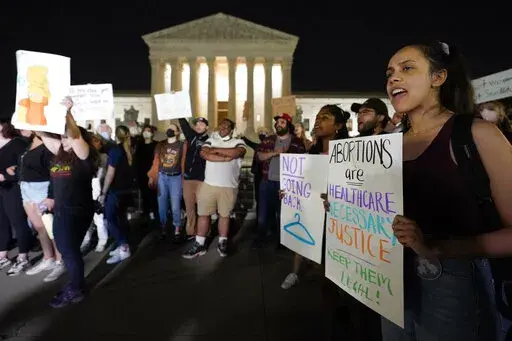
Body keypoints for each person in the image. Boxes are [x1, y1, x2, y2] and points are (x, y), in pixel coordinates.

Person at [382, 41, 512, 340]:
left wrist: (434, 248)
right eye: (389, 73)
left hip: (454, 285)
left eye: (407, 68)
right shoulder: (385, 146)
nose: (393, 78)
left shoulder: (477, 134)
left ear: (438, 78)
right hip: (390, 283)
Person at [38, 98, 97, 308]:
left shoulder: (83, 155)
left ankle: (76, 288)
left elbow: (75, 135)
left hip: (75, 209)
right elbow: (43, 134)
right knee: (68, 249)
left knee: (68, 250)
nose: (64, 141)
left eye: (67, 138)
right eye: (61, 138)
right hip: (63, 209)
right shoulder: (60, 155)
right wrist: (34, 112)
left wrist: (68, 113)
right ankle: (76, 285)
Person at [0, 121, 32, 275]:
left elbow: (24, 167)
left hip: (14, 188)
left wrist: (6, 175)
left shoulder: (18, 143)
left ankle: (23, 256)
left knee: (17, 221)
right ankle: (2, 254)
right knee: (2, 221)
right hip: (1, 189)